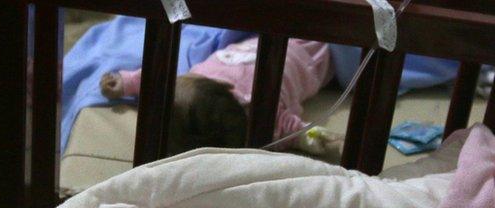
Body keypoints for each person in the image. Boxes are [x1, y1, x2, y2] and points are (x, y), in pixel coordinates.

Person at [100, 37, 342, 156]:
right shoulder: (263, 112)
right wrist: (311, 136)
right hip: (312, 57)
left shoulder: (186, 93)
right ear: (225, 88)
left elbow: (153, 81)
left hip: (265, 39)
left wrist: (126, 83)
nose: (174, 80)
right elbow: (292, 129)